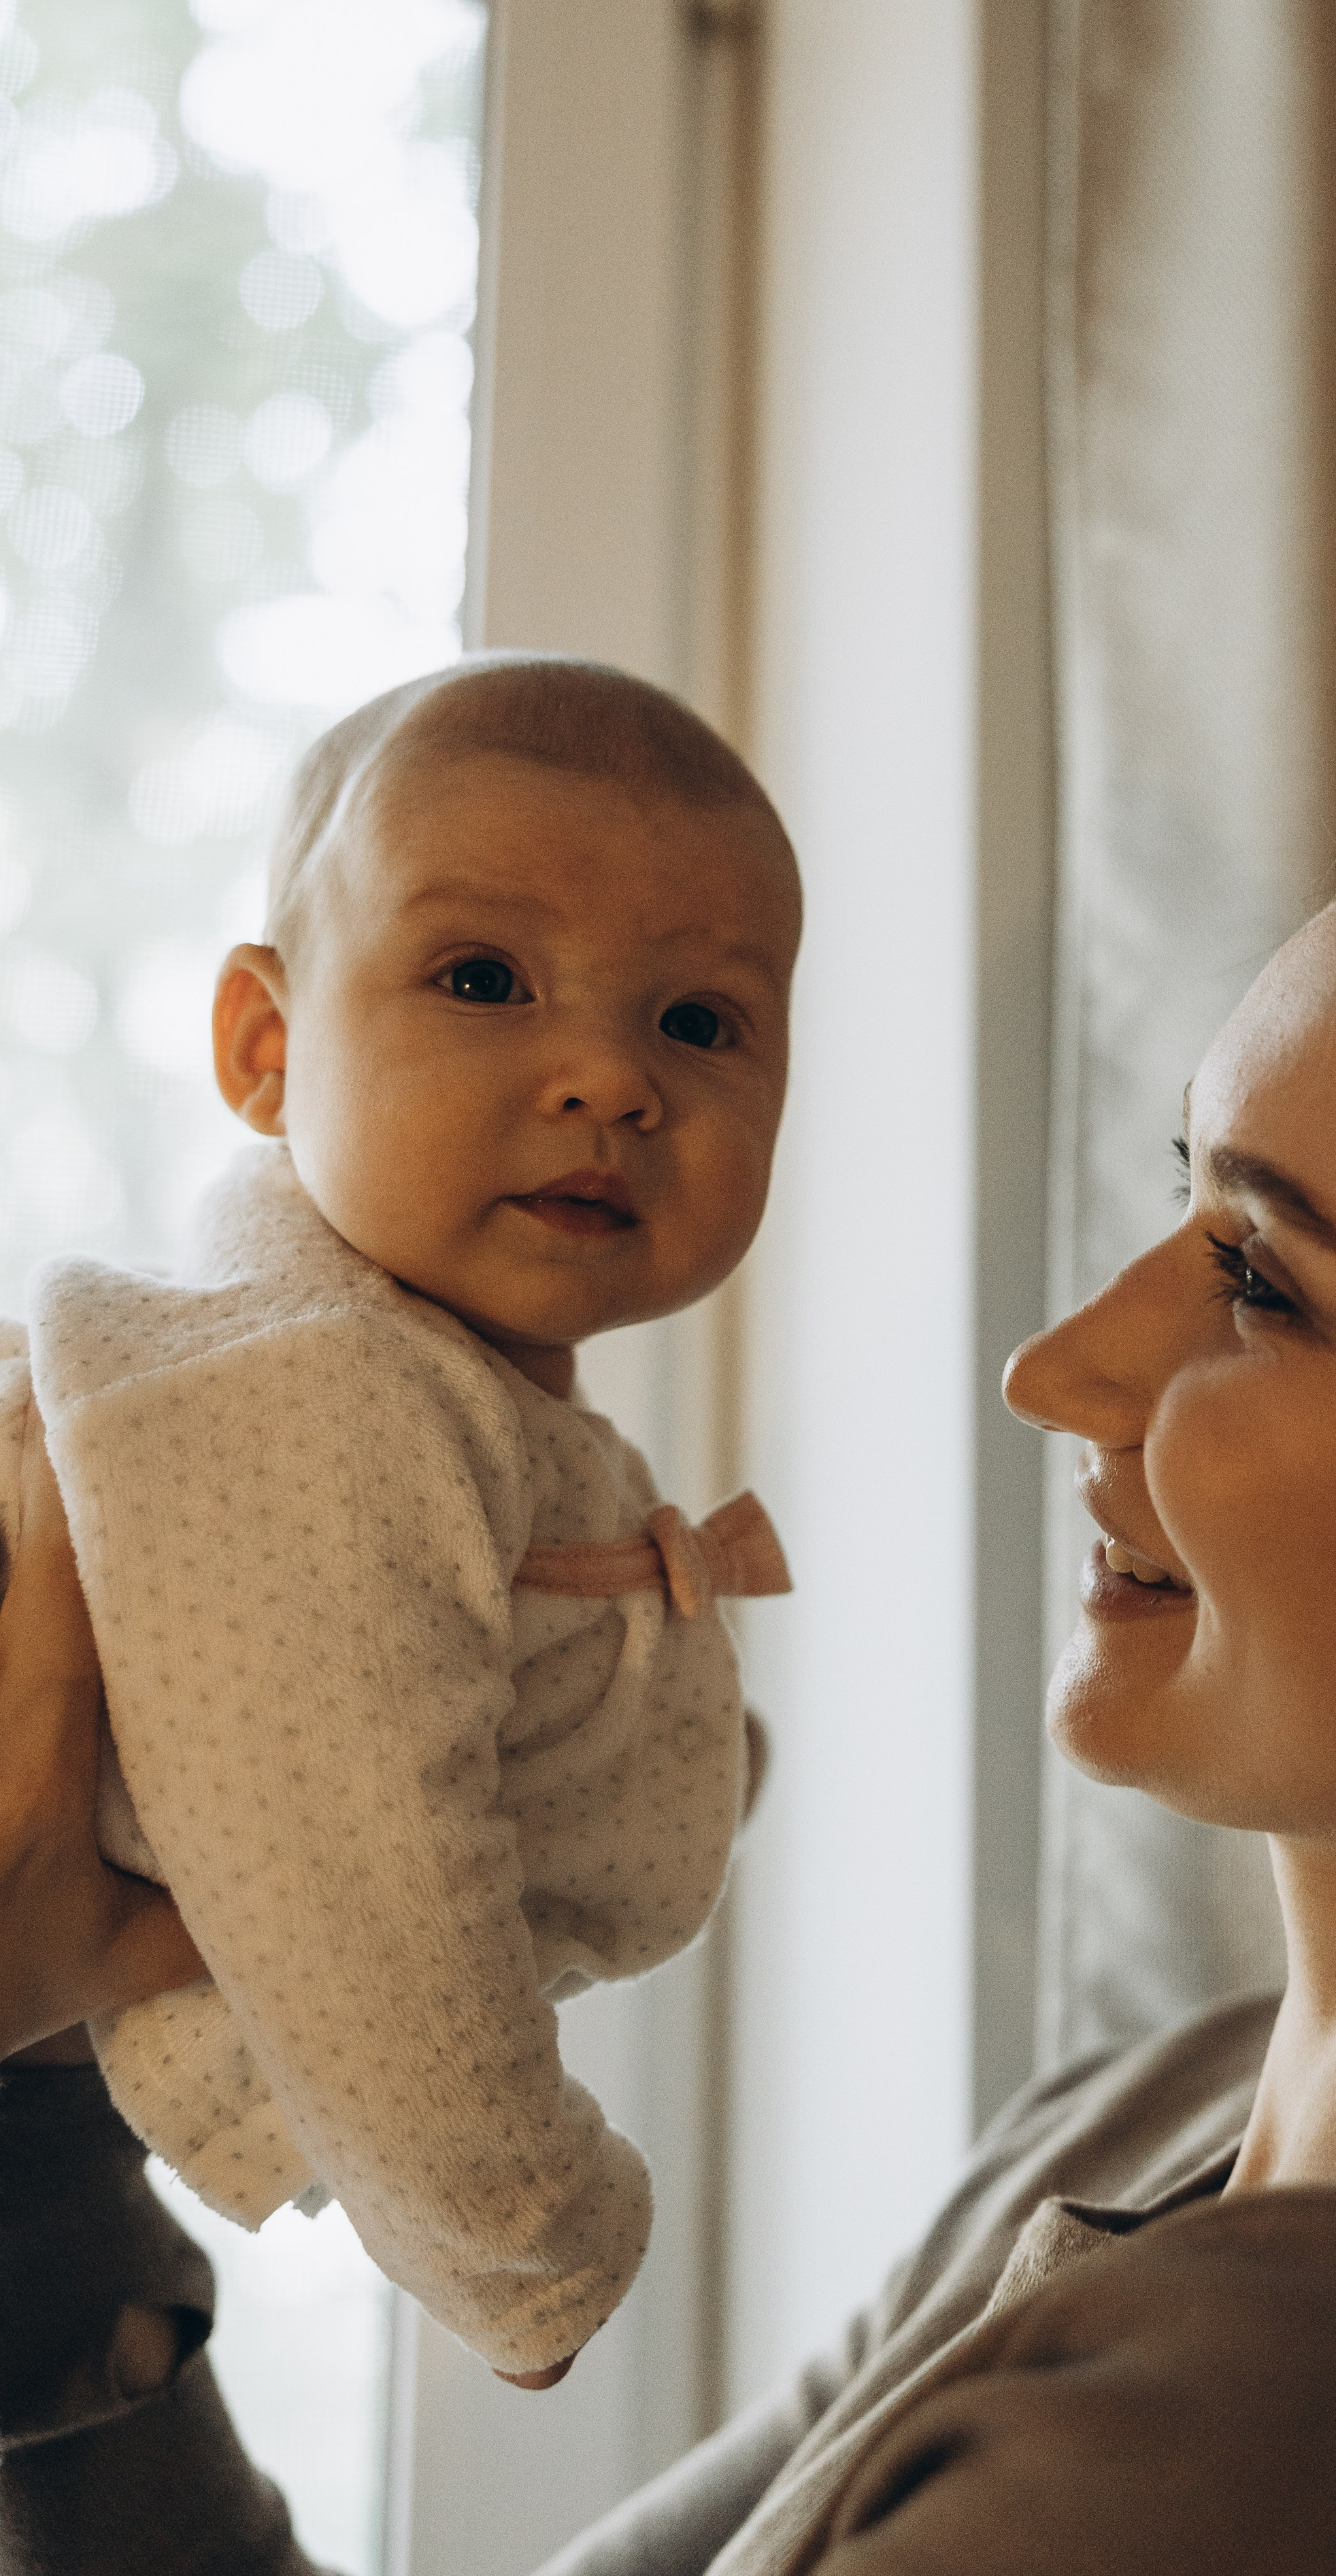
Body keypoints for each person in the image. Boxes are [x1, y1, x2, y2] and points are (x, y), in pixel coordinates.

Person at [3, 741, 1336, 2576]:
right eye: (1184, 1202)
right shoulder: (1145, 2118)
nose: (1057, 1365)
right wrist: (40, 2077)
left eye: (1261, 1278)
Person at [6, 654, 800, 2392]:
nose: (608, 1074)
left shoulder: (455, 1396)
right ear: (266, 1051)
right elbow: (358, 1892)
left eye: (698, 1020)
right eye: (484, 978)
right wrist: (532, 2241)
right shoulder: (317, 1395)